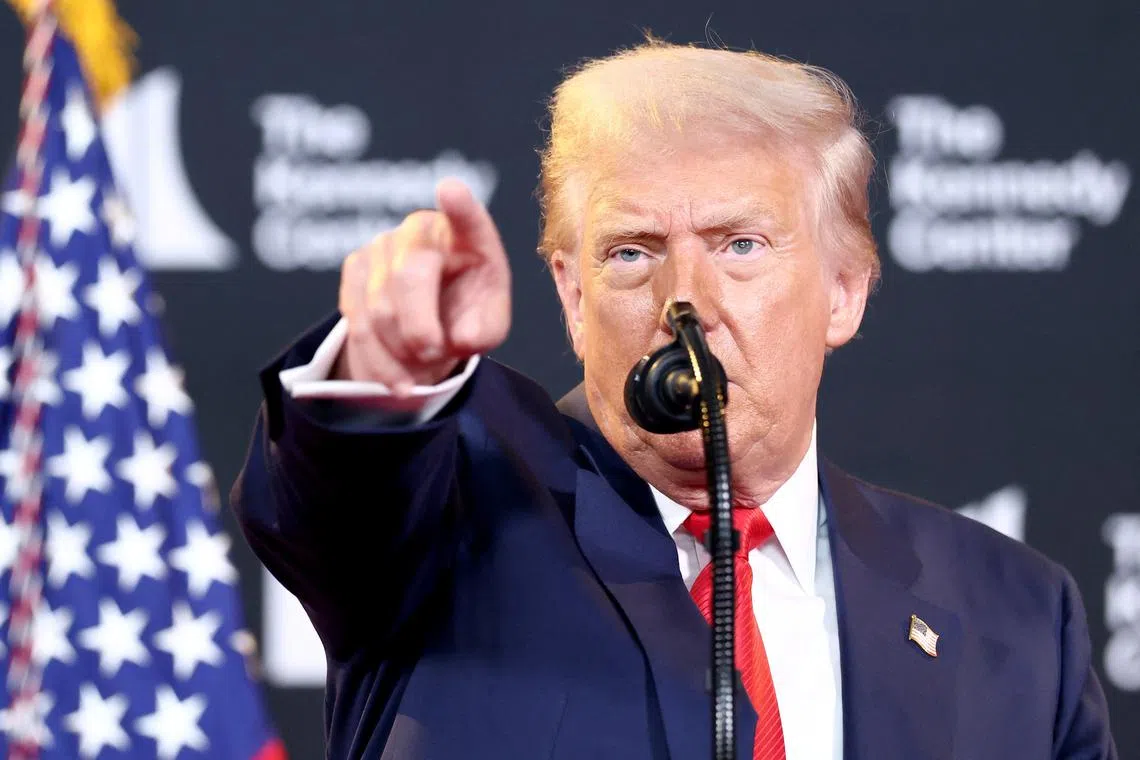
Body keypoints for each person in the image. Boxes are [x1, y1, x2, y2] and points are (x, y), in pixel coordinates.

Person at [231, 40, 1117, 759]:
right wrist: (391, 376)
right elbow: (337, 494)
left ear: (844, 291)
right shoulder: (459, 502)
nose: (682, 299)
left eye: (740, 244)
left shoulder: (1018, 612)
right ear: (573, 297)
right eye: (631, 251)